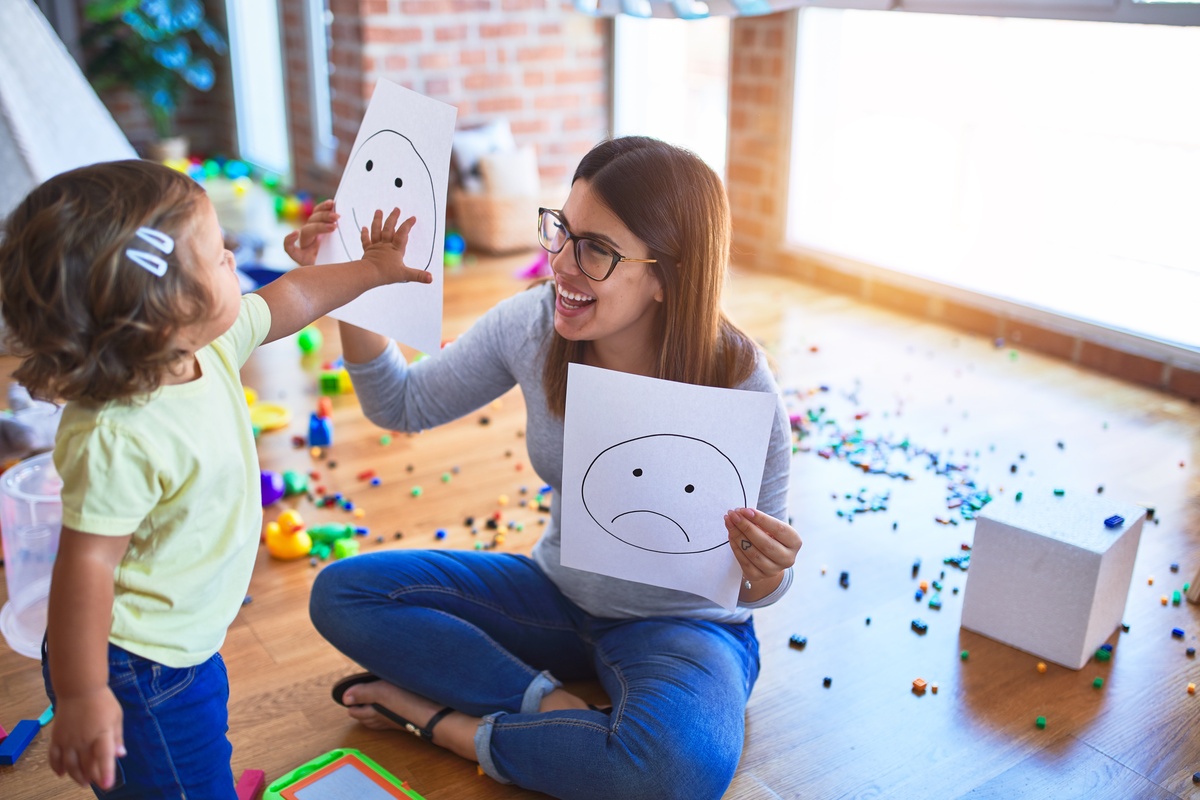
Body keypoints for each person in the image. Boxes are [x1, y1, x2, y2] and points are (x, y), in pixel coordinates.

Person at [305, 136, 801, 800]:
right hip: (556, 596)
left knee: (675, 774)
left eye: (595, 249)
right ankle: (545, 709)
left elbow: (758, 587)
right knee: (342, 593)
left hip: (686, 629)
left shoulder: (739, 379)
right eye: (562, 231)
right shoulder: (534, 325)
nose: (562, 264)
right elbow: (402, 402)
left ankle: (443, 723)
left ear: (665, 273)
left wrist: (771, 572)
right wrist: (354, 283)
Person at [0, 159, 431, 799]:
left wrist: (371, 270)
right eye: (218, 254)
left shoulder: (207, 347)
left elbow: (296, 297)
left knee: (195, 747)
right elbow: (82, 568)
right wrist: (84, 693)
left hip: (185, 640)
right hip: (133, 665)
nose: (233, 256)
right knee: (174, 775)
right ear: (162, 311)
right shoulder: (114, 434)